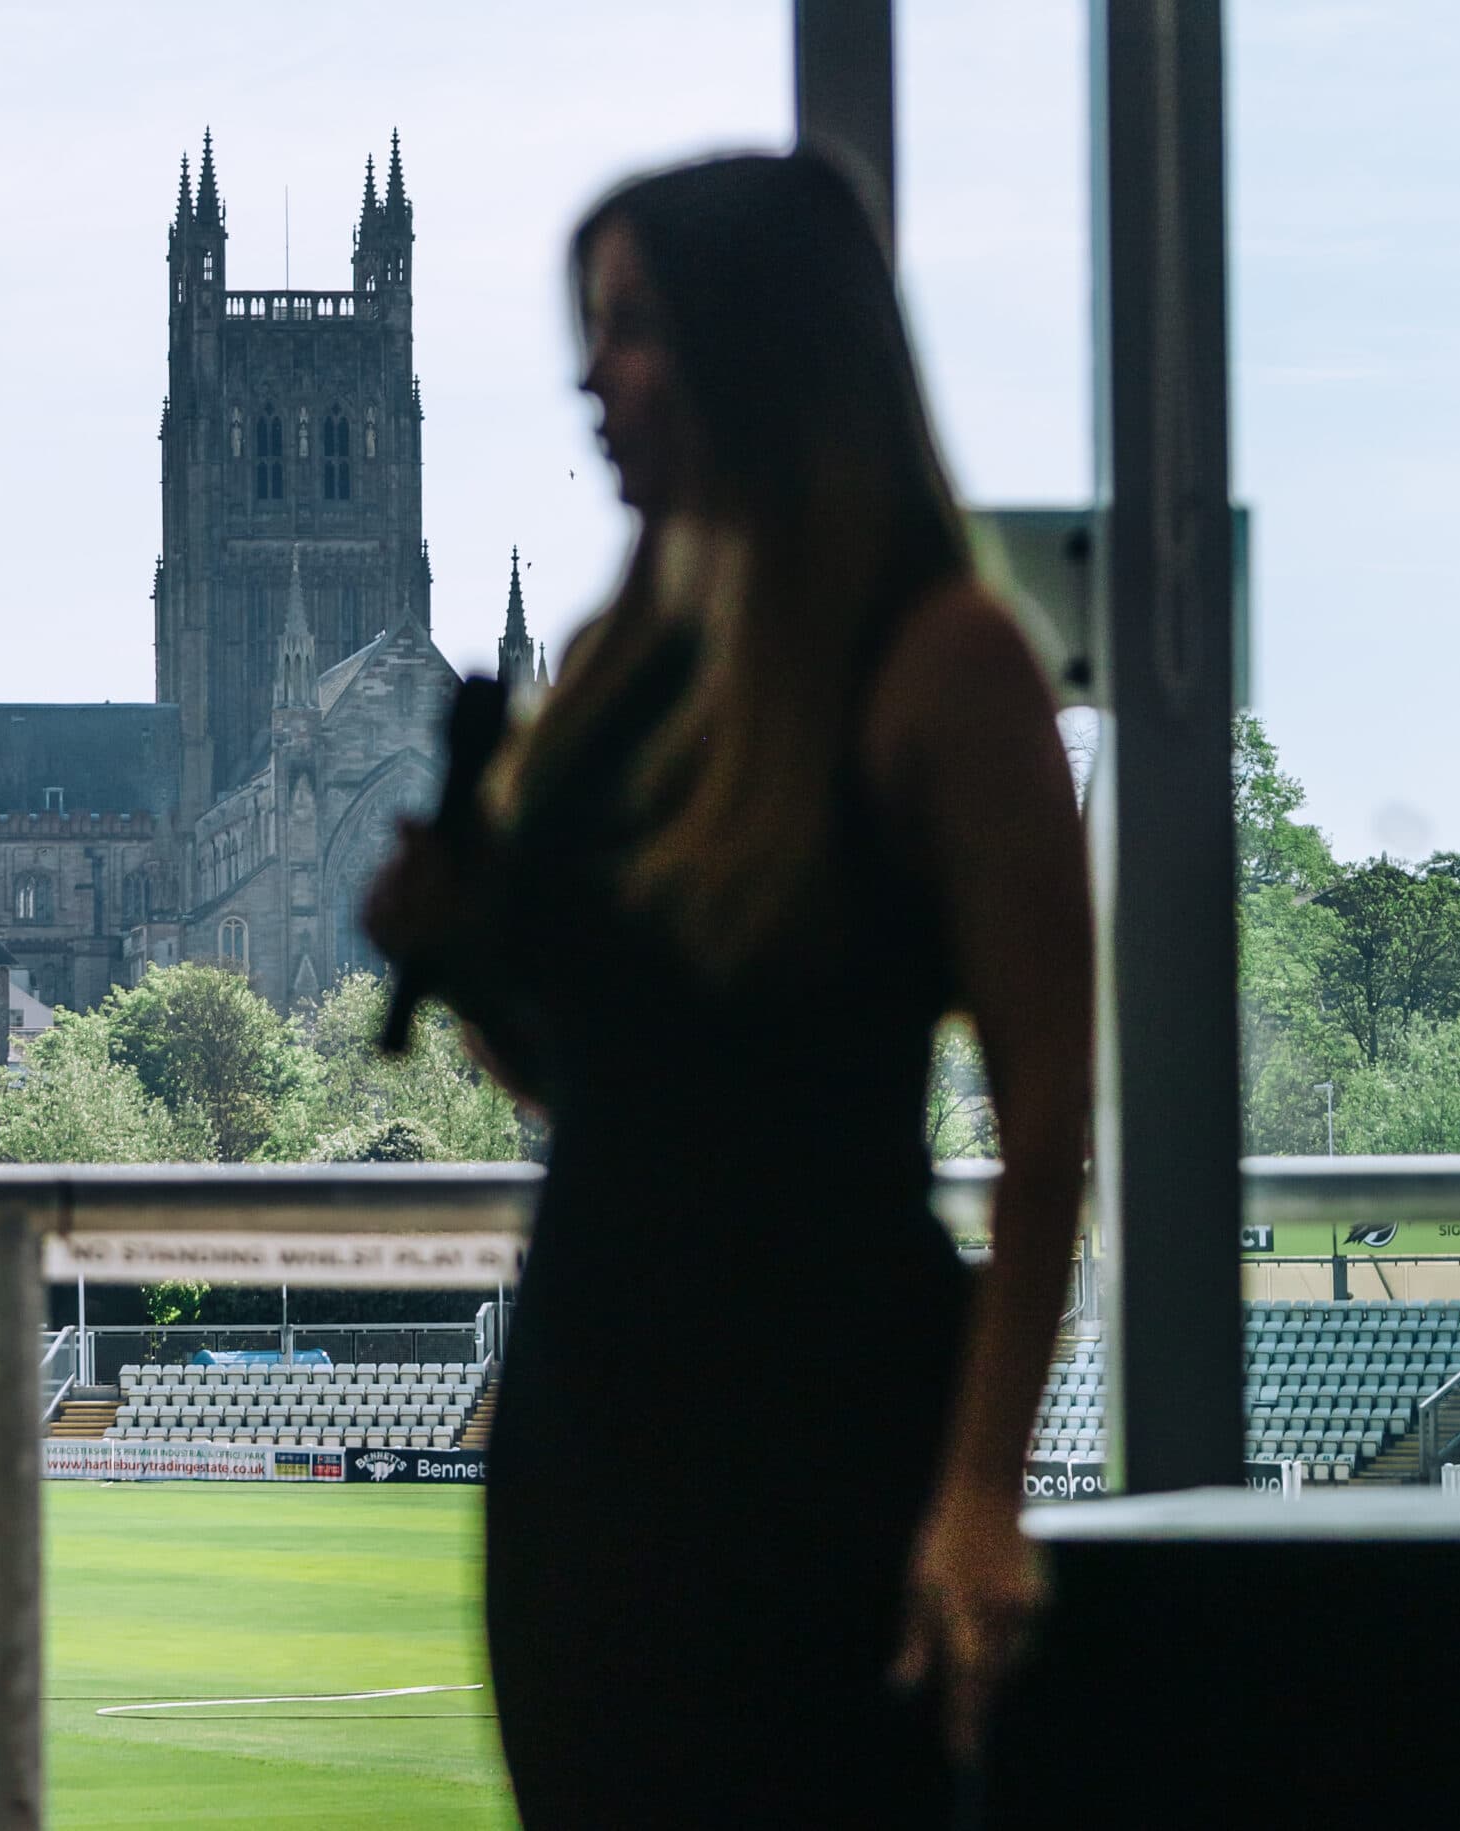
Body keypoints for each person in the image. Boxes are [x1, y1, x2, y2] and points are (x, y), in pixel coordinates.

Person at [365, 152, 1092, 1823]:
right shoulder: (627, 659)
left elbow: (1050, 1126)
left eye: (630, 331)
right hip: (590, 1415)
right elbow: (588, 1079)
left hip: (821, 1416)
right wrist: (464, 945)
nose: (587, 377)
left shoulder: (947, 662)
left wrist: (982, 1491)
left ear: (762, 351)